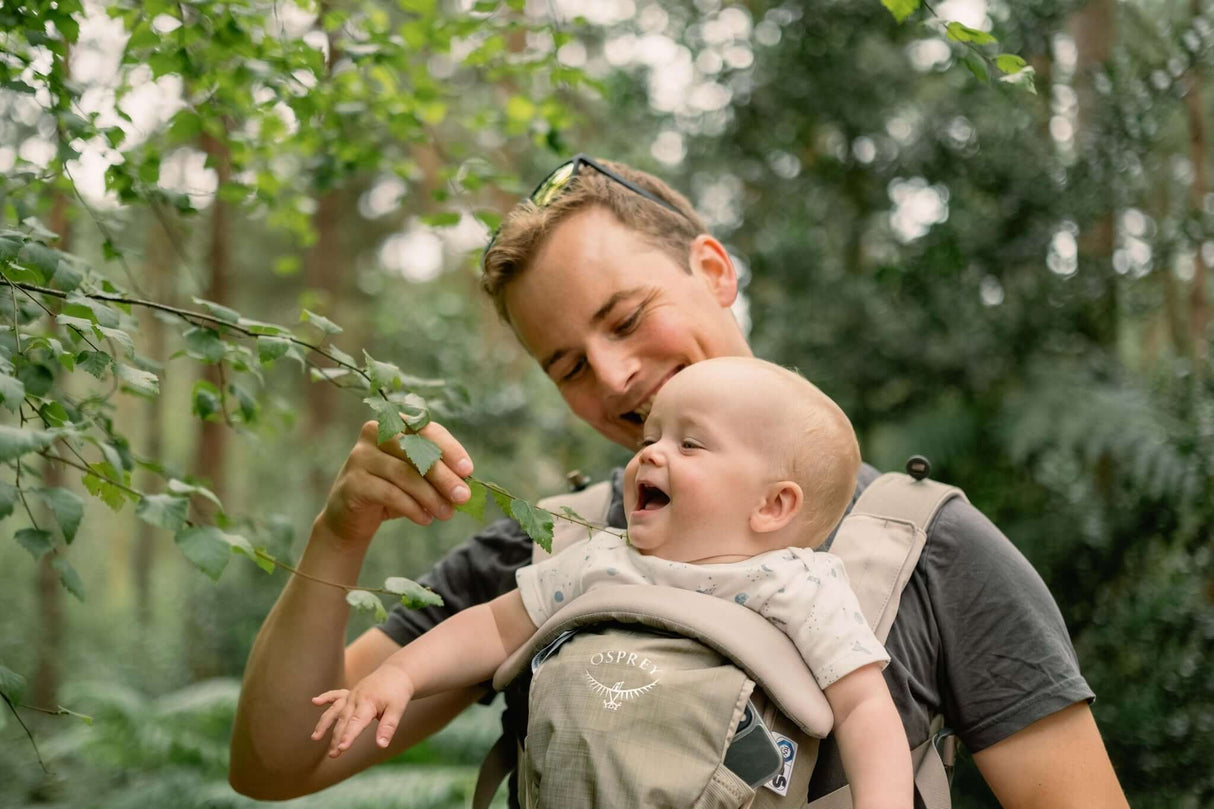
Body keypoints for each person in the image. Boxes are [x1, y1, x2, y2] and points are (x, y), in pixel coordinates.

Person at [228, 155, 1129, 808]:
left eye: (627, 319)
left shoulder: (930, 549)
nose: (615, 376)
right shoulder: (552, 550)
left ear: (712, 269)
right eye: (568, 366)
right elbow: (279, 763)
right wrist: (340, 534)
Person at [309, 357, 913, 808]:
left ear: (773, 505)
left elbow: (865, 710)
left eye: (690, 443)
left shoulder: (798, 587)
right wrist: (399, 674)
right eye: (651, 438)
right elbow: (495, 626)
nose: (649, 455)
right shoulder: (603, 560)